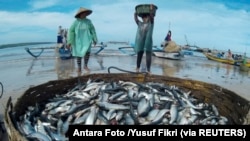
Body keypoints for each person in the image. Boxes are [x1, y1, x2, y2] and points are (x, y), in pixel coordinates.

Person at [67, 7, 98, 73]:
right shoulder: (76, 22)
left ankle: (85, 66)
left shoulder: (88, 21)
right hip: (78, 40)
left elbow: (92, 30)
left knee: (87, 53)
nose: (85, 14)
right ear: (80, 14)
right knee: (79, 54)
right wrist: (70, 41)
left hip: (87, 39)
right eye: (83, 13)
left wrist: (94, 39)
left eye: (86, 13)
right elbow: (71, 31)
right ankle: (79, 68)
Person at [134, 4, 155, 74]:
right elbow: (136, 19)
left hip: (148, 42)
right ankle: (137, 68)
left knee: (148, 55)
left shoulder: (151, 23)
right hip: (141, 42)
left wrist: (151, 10)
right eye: (143, 17)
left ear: (148, 17)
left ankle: (148, 70)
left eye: (146, 17)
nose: (144, 18)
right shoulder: (140, 24)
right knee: (139, 54)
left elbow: (152, 17)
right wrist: (135, 13)